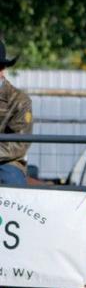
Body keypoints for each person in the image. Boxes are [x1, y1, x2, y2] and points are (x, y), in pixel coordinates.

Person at [0, 37, 32, 186]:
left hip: (6, 162)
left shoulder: (20, 100)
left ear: (2, 69)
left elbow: (19, 143)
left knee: (11, 179)